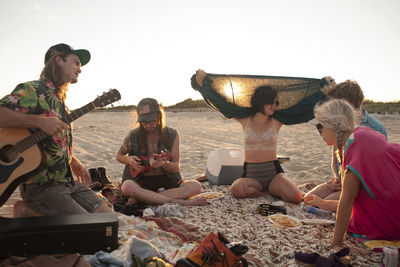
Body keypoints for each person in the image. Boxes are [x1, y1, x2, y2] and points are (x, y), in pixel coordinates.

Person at [0, 43, 112, 217]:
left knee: (108, 217)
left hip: (68, 182)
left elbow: (49, 143)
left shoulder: (60, 102)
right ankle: (27, 210)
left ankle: (28, 212)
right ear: (59, 60)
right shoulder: (33, 90)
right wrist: (38, 121)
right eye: (76, 63)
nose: (80, 70)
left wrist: (73, 161)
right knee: (88, 228)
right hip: (42, 186)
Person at [195, 70, 308, 203]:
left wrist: (322, 91)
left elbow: (302, 108)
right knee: (236, 190)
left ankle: (272, 189)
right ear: (261, 102)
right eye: (271, 102)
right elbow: (223, 105)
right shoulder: (245, 120)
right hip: (251, 176)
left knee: (295, 197)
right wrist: (204, 86)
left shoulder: (277, 121)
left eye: (276, 103)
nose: (274, 106)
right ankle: (264, 192)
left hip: (273, 174)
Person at [313, 99, 400, 249]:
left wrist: (336, 243)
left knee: (351, 213)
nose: (320, 132)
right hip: (393, 202)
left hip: (390, 219)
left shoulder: (356, 147)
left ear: (334, 124)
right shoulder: (360, 135)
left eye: (320, 126)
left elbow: (347, 199)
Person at [305, 80, 387, 211]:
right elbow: (337, 158)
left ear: (345, 104)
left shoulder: (374, 129)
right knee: (308, 199)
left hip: (361, 187)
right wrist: (339, 178)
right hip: (343, 179)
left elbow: (377, 173)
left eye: (333, 103)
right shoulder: (338, 124)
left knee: (323, 205)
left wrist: (347, 183)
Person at [116, 98, 206, 206]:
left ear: (159, 116)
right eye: (144, 122)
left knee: (196, 186)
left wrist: (163, 164)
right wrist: (129, 160)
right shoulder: (132, 135)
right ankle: (180, 202)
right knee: (127, 186)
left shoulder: (172, 134)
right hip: (140, 182)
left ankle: (145, 198)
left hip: (167, 182)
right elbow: (119, 155)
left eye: (151, 121)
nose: (148, 125)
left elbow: (175, 167)